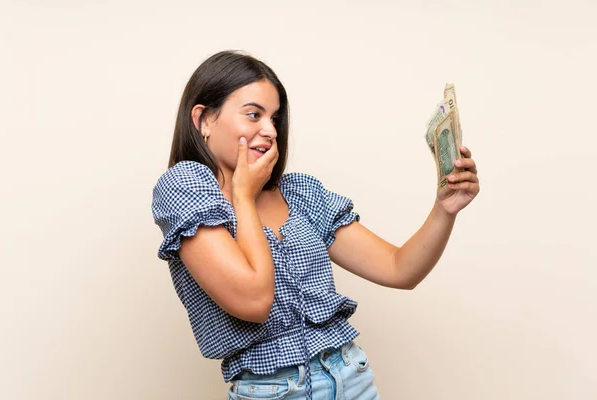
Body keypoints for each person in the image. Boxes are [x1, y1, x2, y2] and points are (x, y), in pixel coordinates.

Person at [151, 50, 480, 400]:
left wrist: (445, 209)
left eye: (274, 118)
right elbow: (255, 300)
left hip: (353, 378)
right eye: (253, 115)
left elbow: (399, 269)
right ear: (204, 120)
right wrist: (243, 197)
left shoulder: (301, 193)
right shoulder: (185, 188)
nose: (269, 130)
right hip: (274, 391)